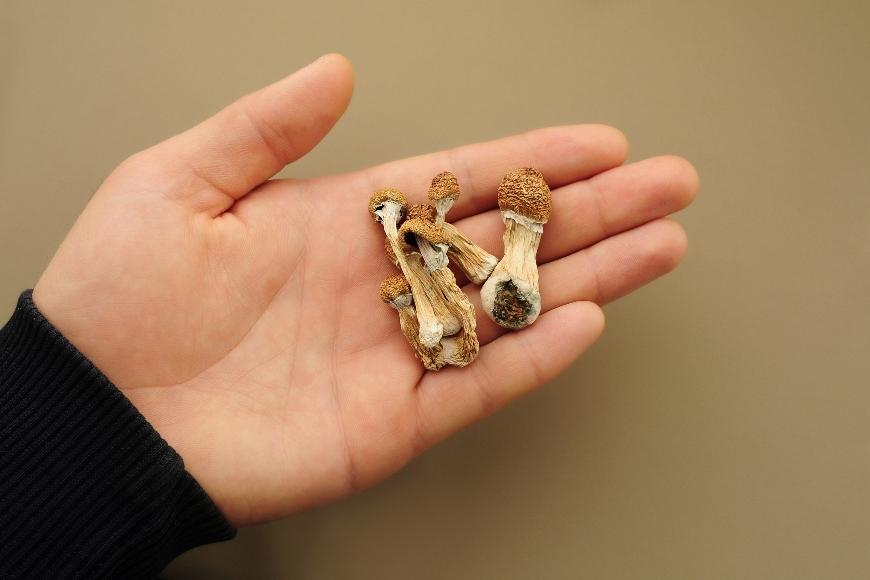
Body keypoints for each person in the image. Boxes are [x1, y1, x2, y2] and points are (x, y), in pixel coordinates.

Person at [0, 54, 698, 578]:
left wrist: (70, 414)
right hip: (448, 280)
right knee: (440, 300)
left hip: (468, 273)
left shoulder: (443, 243)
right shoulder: (420, 244)